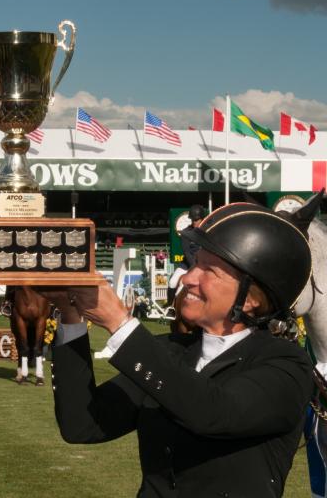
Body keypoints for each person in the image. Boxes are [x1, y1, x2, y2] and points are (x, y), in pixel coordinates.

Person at [40, 203, 314, 497]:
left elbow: (215, 413)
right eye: (195, 263)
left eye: (208, 269)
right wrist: (71, 317)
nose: (187, 278)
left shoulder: (287, 366)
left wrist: (120, 323)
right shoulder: (169, 351)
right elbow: (84, 425)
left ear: (251, 299)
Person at [167, 204, 206, 305]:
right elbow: (186, 252)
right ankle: (170, 306)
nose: (194, 222)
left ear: (202, 219)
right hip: (188, 264)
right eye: (192, 220)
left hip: (205, 265)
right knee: (173, 282)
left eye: (196, 220)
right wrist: (193, 266)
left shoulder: (208, 232)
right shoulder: (186, 233)